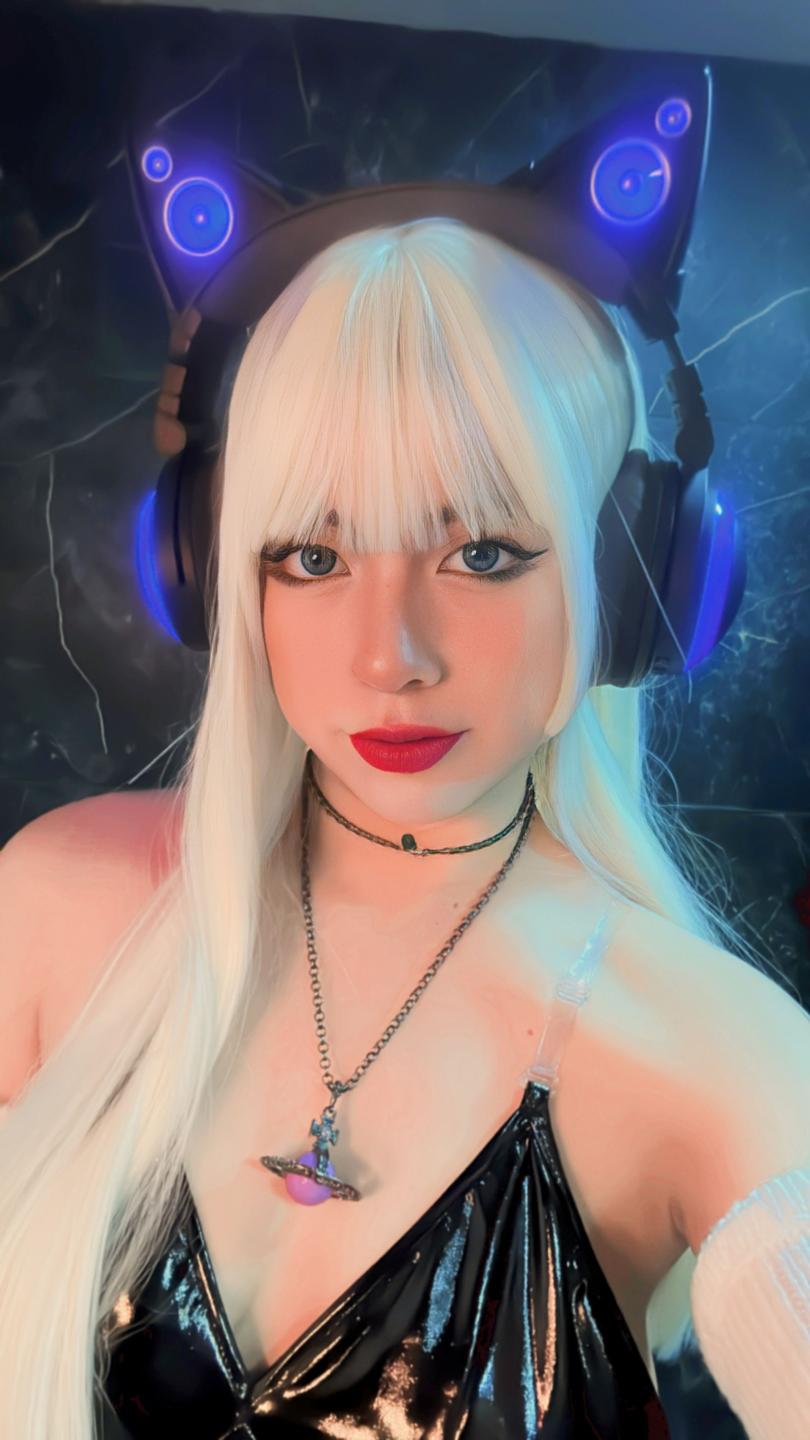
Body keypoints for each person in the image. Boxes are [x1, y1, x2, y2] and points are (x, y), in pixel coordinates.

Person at [0, 219, 807, 1438]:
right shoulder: (61, 904)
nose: (392, 658)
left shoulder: (718, 1056)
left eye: (482, 551)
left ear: (629, 576)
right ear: (219, 571)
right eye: (311, 555)